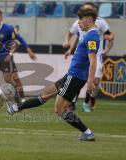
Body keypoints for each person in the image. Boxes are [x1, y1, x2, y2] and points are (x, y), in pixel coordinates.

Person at [7, 7, 100, 141]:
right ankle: (16, 107)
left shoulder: (92, 36)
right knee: (45, 94)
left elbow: (93, 60)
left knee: (59, 110)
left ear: (89, 19)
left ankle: (87, 132)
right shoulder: (87, 34)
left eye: (80, 20)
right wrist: (71, 50)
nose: (78, 23)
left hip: (76, 77)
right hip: (71, 75)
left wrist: (90, 80)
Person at [63, 2, 114, 112]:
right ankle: (73, 102)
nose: (84, 14)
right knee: (77, 78)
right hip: (81, 55)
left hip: (95, 54)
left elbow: (110, 35)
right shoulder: (78, 22)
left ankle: (87, 101)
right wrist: (69, 48)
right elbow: (75, 35)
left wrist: (107, 46)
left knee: (95, 80)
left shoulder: (100, 22)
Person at [0, 9, 36, 110]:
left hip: (5, 59)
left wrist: (28, 51)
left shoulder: (8, 29)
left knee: (9, 80)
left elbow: (18, 40)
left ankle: (18, 100)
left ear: (1, 18)